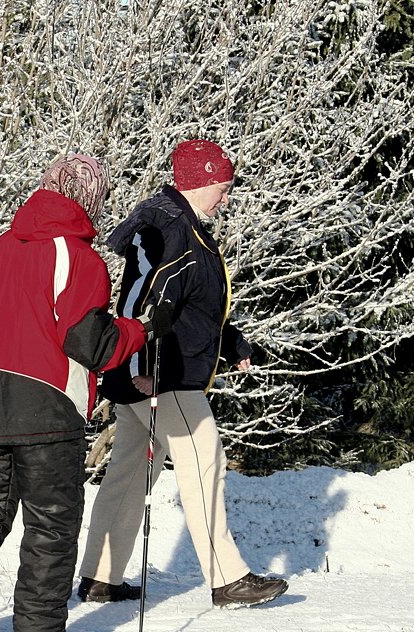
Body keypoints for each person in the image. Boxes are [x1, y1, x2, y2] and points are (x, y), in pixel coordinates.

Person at [0, 154, 156, 632]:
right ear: (89, 197)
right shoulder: (78, 257)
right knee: (51, 519)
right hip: (47, 406)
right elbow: (92, 344)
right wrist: (141, 330)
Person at [76, 139, 288, 608]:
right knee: (204, 461)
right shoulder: (169, 229)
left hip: (151, 372)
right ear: (199, 183)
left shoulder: (184, 227)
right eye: (223, 188)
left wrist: (229, 341)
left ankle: (100, 578)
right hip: (161, 376)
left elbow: (191, 304)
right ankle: (228, 578)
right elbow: (139, 303)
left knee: (131, 474)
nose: (227, 199)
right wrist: (142, 365)